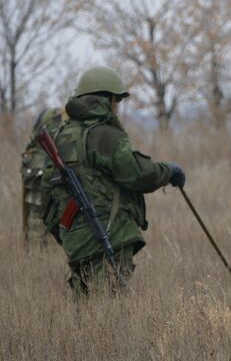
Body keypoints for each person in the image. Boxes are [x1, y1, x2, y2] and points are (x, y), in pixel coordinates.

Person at [40, 66, 185, 295]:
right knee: (111, 308)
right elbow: (138, 174)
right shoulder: (104, 134)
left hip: (75, 242)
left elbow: (46, 196)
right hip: (107, 236)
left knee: (88, 314)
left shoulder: (61, 136)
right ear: (105, 100)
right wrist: (169, 171)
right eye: (115, 100)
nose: (117, 107)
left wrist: (66, 234)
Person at [21, 108, 67, 247]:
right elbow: (36, 216)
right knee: (38, 216)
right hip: (37, 248)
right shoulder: (39, 158)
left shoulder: (40, 155)